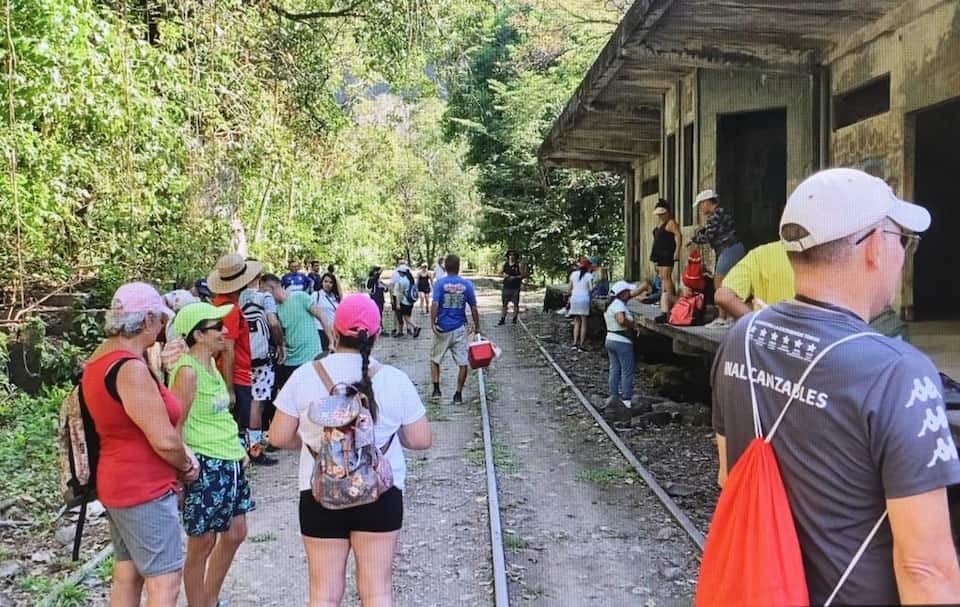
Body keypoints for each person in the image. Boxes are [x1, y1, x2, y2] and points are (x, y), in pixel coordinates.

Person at [712, 168, 960, 605]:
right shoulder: (899, 373)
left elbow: (728, 476)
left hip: (764, 591)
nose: (902, 255)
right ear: (875, 247)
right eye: (903, 241)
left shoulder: (743, 338)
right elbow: (925, 568)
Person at [268, 294, 432, 607]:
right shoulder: (395, 380)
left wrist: (312, 443)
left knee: (324, 593)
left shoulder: (304, 375)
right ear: (377, 334)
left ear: (334, 332)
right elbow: (421, 439)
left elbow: (277, 436)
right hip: (380, 495)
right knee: (377, 591)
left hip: (320, 494)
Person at [82, 282, 198, 607]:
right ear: (147, 319)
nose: (162, 329)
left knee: (128, 574)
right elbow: (163, 439)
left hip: (117, 482)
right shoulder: (129, 368)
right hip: (142, 487)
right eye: (161, 321)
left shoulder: (101, 358)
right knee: (165, 582)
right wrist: (186, 466)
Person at [168, 302, 253, 607]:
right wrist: (181, 471)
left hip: (228, 460)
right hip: (205, 463)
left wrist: (238, 448)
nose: (225, 331)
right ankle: (198, 603)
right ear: (199, 334)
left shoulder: (211, 366)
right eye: (217, 327)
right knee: (202, 543)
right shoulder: (188, 371)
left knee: (235, 533)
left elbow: (219, 415)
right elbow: (174, 423)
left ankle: (210, 598)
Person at [207, 254, 276, 466]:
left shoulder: (218, 304)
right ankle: (247, 457)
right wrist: (229, 388)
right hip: (236, 374)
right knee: (244, 419)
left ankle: (249, 455)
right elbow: (227, 348)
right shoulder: (230, 310)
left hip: (232, 371)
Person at [259, 273, 333, 394]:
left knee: (312, 395)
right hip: (290, 361)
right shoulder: (274, 310)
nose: (263, 296)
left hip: (311, 357)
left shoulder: (300, 297)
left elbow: (321, 316)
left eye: (263, 291)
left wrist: (331, 341)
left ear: (271, 288)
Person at [691, 189, 745, 329]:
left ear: (708, 202)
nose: (701, 208)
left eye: (701, 205)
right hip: (732, 249)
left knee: (718, 282)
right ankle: (731, 317)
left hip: (729, 249)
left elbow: (708, 236)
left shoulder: (715, 215)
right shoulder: (722, 212)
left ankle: (723, 317)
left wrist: (695, 239)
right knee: (730, 283)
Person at [430, 254, 480, 404]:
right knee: (463, 363)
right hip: (459, 329)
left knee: (434, 359)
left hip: (443, 329)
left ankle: (436, 389)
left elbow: (435, 304)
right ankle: (458, 394)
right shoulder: (467, 285)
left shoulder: (440, 283)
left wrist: (433, 322)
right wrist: (477, 326)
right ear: (459, 267)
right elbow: (473, 307)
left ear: (445, 266)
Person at [604, 281, 641, 409]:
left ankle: (614, 396)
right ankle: (626, 400)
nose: (629, 294)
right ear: (622, 293)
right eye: (627, 292)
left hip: (610, 338)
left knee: (614, 369)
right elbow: (621, 320)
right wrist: (634, 325)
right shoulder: (618, 304)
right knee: (627, 371)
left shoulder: (610, 304)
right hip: (622, 341)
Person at [650, 200, 683, 315]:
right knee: (662, 277)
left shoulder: (671, 223)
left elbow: (678, 235)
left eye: (662, 214)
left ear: (667, 213)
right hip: (659, 254)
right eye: (659, 214)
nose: (661, 216)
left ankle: (671, 300)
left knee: (666, 277)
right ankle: (664, 299)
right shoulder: (661, 224)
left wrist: (677, 251)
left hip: (667, 253)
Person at [567, 259, 594, 351]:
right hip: (584, 299)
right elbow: (591, 289)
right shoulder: (589, 276)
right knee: (584, 322)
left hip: (574, 299)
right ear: (588, 267)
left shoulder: (573, 274)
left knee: (576, 321)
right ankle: (582, 345)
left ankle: (574, 343)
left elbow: (569, 288)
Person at [311, 272, 342, 353]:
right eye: (326, 281)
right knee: (324, 355)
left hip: (334, 331)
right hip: (320, 330)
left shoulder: (334, 297)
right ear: (322, 282)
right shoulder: (316, 295)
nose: (328, 284)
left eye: (331, 282)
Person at [394, 264, 421, 338]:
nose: (398, 273)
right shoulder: (410, 279)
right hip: (410, 301)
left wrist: (398, 304)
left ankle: (416, 327)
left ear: (401, 272)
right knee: (408, 316)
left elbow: (400, 293)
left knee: (406, 317)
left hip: (404, 302)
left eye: (399, 272)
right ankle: (415, 328)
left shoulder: (402, 281)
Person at [498, 251, 525, 326]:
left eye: (513, 255)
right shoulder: (505, 264)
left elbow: (523, 275)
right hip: (506, 287)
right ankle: (503, 319)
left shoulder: (518, 265)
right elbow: (499, 273)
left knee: (516, 304)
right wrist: (504, 275)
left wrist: (515, 277)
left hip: (515, 287)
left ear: (516, 257)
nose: (511, 256)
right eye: (510, 255)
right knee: (504, 304)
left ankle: (514, 319)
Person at [366, 267, 387, 333]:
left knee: (380, 314)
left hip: (380, 300)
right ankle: (376, 328)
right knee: (375, 314)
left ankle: (380, 328)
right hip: (374, 300)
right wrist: (379, 273)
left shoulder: (379, 281)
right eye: (376, 272)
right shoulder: (370, 280)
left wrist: (384, 287)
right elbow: (371, 284)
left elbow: (386, 289)